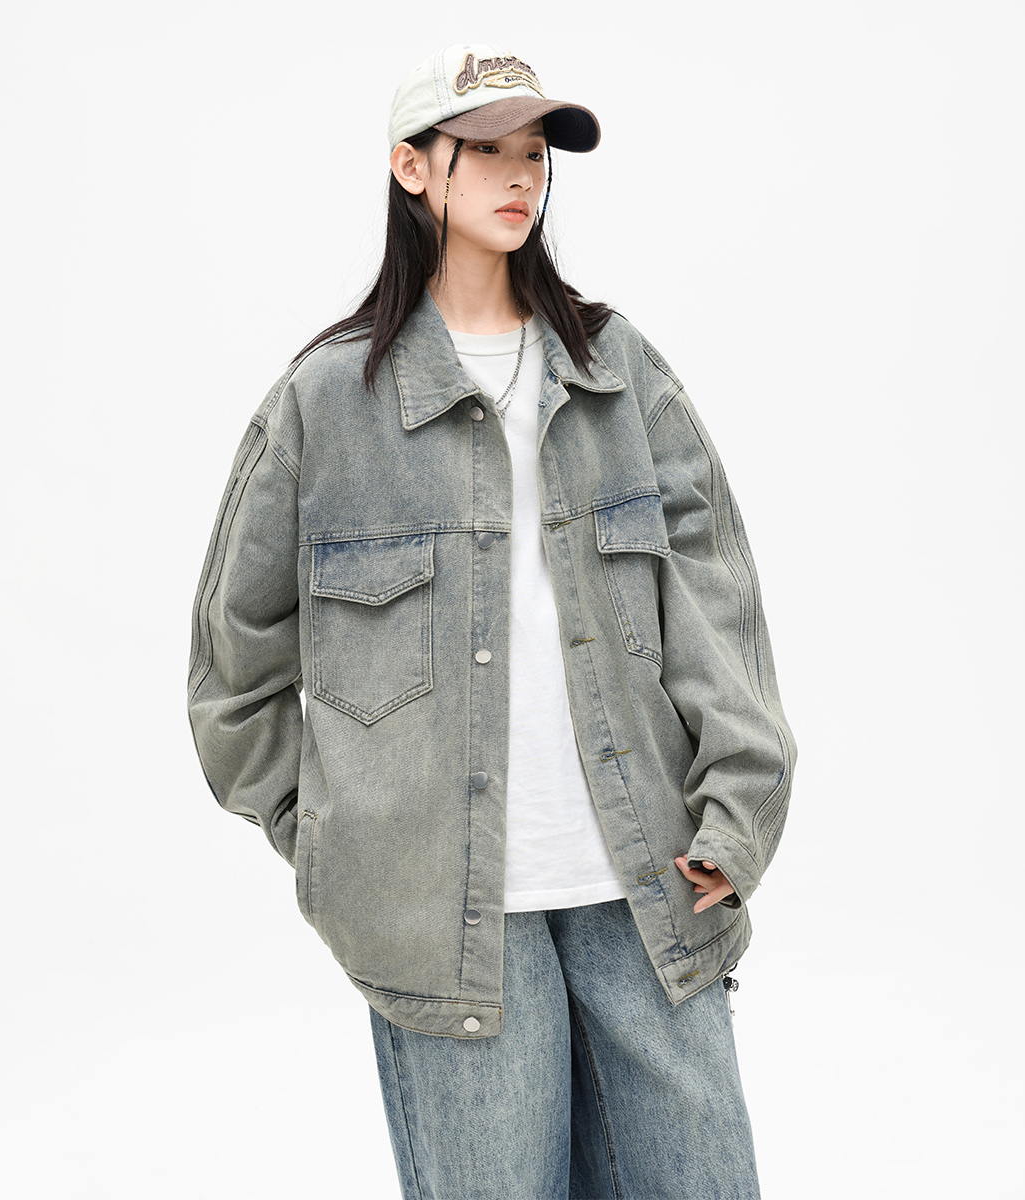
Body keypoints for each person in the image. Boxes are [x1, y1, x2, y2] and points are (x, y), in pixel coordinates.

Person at [188, 42, 796, 1200]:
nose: (522, 176)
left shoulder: (619, 371)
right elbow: (233, 668)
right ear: (413, 168)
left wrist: (740, 810)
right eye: (488, 152)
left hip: (651, 888)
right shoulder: (327, 404)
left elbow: (717, 604)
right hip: (442, 928)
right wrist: (340, 844)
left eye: (537, 155)